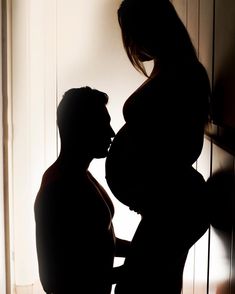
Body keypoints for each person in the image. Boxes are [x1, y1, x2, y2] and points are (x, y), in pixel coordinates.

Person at [105, 0, 211, 293]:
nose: (131, 44)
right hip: (163, 205)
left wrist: (146, 180)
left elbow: (189, 147)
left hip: (174, 205)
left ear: (153, 28)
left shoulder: (186, 73)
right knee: (154, 284)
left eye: (133, 33)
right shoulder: (166, 69)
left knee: (140, 286)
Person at [34, 87, 130, 294]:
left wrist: (142, 251)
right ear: (81, 129)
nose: (112, 133)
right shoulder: (59, 188)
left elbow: (99, 242)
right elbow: (54, 279)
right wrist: (127, 271)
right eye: (104, 125)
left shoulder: (79, 175)